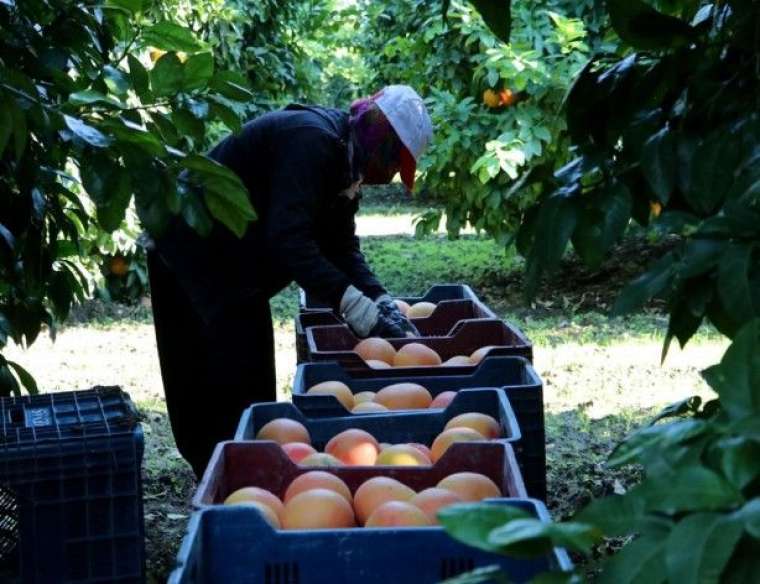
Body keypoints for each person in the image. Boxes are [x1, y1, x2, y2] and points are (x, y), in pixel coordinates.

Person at [146, 85, 434, 477]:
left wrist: (378, 297)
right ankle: (219, 475)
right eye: (394, 163)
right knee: (205, 380)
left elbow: (342, 245)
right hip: (190, 253)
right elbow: (289, 240)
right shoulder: (313, 142)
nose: (390, 176)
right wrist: (352, 304)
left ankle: (247, 466)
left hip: (236, 265)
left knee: (250, 380)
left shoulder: (345, 161)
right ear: (379, 139)